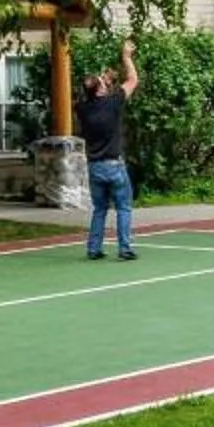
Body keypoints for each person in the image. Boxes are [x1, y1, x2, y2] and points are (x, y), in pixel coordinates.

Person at [79, 38, 141, 261]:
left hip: (94, 167)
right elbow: (133, 79)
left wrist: (101, 80)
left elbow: (91, 89)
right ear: (101, 91)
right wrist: (126, 56)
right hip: (114, 165)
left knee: (100, 209)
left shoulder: (83, 108)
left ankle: (93, 248)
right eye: (103, 83)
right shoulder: (113, 103)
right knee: (124, 207)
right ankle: (124, 248)